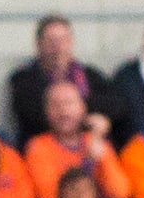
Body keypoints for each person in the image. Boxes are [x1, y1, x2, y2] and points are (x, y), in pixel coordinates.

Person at [5, 14, 95, 146]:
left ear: (71, 42)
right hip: (38, 149)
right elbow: (32, 117)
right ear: (38, 44)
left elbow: (113, 105)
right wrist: (83, 120)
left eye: (63, 40)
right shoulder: (22, 79)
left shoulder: (90, 75)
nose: (58, 47)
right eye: (51, 41)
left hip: (85, 146)